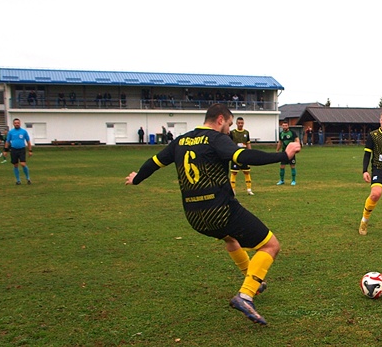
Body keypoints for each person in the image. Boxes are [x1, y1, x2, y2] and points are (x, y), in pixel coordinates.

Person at [125, 103, 301, 325]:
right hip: (220, 210)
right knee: (271, 246)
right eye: (229, 124)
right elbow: (244, 156)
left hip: (194, 216)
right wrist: (283, 156)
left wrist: (137, 179)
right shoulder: (216, 139)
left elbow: (154, 163)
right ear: (220, 119)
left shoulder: (181, 141)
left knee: (230, 239)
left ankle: (255, 282)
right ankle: (245, 295)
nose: (229, 129)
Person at [230, 117, 255, 195]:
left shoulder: (246, 132)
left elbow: (248, 143)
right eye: (239, 123)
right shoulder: (232, 133)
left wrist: (250, 154)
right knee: (234, 172)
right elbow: (229, 143)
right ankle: (233, 190)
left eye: (242, 123)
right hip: (235, 155)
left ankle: (249, 189)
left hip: (244, 155)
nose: (240, 124)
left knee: (246, 172)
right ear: (236, 123)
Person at [4, 118, 33, 185]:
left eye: (18, 123)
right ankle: (18, 180)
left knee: (23, 164)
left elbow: (28, 141)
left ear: (20, 124)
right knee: (15, 165)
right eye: (15, 123)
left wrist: (30, 150)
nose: (17, 124)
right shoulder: (11, 132)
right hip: (13, 150)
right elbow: (7, 141)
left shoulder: (24, 131)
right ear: (13, 124)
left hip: (22, 149)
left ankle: (28, 178)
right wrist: (5, 150)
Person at [276, 121, 300, 185]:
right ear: (282, 126)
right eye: (283, 126)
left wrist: (297, 148)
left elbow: (297, 140)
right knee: (282, 166)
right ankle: (282, 180)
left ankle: (293, 181)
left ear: (288, 126)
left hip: (291, 152)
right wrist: (277, 150)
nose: (284, 127)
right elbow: (280, 142)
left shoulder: (292, 133)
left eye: (286, 125)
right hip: (284, 153)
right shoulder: (281, 133)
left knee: (292, 166)